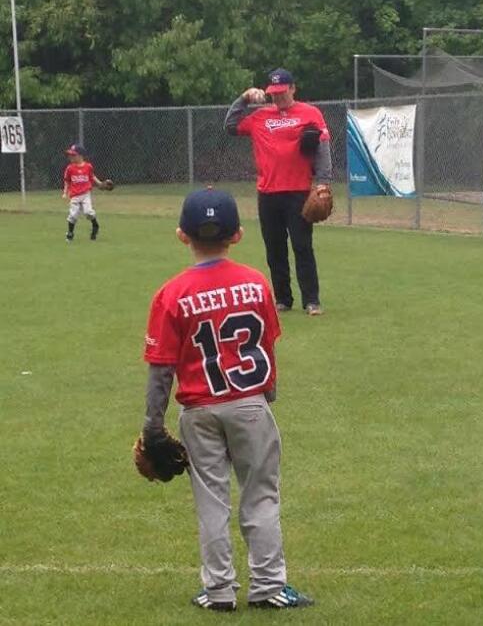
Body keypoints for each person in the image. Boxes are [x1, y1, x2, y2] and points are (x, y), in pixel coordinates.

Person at [142, 188, 314, 612]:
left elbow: (161, 368)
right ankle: (269, 585)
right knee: (261, 495)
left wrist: (151, 426)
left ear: (182, 235)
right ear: (237, 235)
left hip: (198, 410)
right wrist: (266, 393)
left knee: (211, 500)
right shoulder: (256, 282)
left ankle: (218, 590)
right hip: (251, 403)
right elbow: (266, 346)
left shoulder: (171, 294)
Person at [224, 68, 333, 316]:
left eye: (282, 92)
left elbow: (322, 146)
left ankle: (311, 300)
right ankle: (283, 299)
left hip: (298, 192)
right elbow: (230, 125)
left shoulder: (310, 113)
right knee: (274, 248)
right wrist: (243, 99)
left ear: (293, 88)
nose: (278, 98)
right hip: (268, 193)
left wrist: (324, 181)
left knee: (302, 246)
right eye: (274, 93)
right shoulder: (260, 116)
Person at [62, 144, 106, 242]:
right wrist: (65, 192)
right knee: (73, 215)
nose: (70, 157)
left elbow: (92, 176)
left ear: (80, 156)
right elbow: (67, 181)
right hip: (74, 195)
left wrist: (100, 183)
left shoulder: (88, 166)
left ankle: (95, 226)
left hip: (85, 194)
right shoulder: (70, 168)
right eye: (70, 155)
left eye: (73, 155)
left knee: (88, 212)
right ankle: (70, 233)